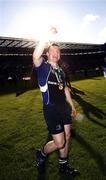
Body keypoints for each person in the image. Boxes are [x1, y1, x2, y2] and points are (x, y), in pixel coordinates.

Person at [32, 27, 80, 176]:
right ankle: (41, 154)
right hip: (51, 109)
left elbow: (64, 88)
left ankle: (63, 168)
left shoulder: (60, 70)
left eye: (58, 51)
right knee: (59, 143)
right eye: (52, 50)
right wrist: (46, 35)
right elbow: (35, 55)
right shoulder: (43, 67)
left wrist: (72, 106)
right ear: (47, 53)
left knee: (67, 137)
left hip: (64, 108)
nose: (56, 53)